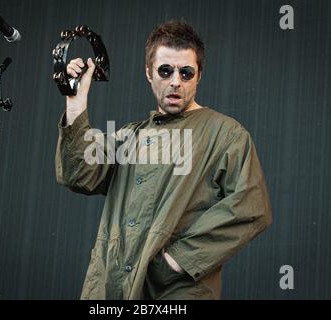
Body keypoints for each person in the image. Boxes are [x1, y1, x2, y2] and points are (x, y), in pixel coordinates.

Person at [55, 20, 272, 299]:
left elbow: (251, 207)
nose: (175, 81)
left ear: (199, 75)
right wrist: (75, 100)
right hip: (110, 290)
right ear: (149, 73)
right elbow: (78, 174)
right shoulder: (128, 137)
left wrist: (177, 261)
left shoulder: (226, 135)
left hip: (176, 293)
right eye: (165, 70)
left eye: (186, 73)